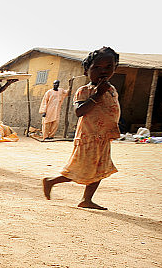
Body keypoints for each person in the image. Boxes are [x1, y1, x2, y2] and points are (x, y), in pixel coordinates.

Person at [43, 47, 120, 210]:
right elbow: (79, 111)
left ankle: (87, 199)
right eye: (97, 68)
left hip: (103, 138)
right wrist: (98, 94)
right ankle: (51, 181)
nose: (103, 72)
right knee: (81, 168)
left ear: (115, 68)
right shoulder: (84, 90)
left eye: (108, 67)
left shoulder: (111, 89)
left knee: (99, 169)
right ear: (86, 71)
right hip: (88, 137)